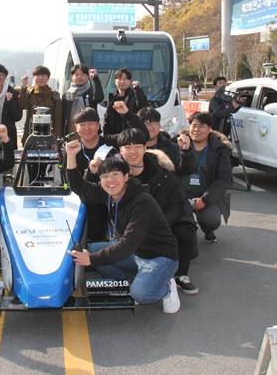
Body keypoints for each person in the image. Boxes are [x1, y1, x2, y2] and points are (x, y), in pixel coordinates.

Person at [65, 143, 181, 313]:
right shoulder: (109, 193)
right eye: (105, 176)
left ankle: (167, 287)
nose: (110, 180)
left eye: (115, 175)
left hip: (159, 257)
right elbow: (79, 187)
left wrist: (92, 259)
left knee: (142, 294)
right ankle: (125, 284)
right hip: (135, 253)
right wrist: (71, 155)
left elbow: (127, 244)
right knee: (93, 249)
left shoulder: (142, 202)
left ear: (127, 176)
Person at [112, 128, 199, 294]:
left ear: (145, 148)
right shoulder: (115, 173)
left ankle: (181, 275)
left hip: (165, 219)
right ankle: (143, 273)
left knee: (184, 231)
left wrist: (159, 224)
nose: (132, 151)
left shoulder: (162, 170)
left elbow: (177, 202)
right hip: (133, 223)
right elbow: (93, 193)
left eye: (137, 146)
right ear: (120, 150)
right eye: (127, 147)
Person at [64, 104, 149, 242]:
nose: (87, 128)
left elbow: (141, 135)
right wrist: (90, 171)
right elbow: (75, 186)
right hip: (89, 198)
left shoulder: (111, 142)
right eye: (82, 124)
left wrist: (127, 113)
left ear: (98, 125)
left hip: (117, 196)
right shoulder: (72, 150)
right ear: (76, 127)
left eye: (91, 124)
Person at [181, 112, 232, 244]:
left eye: (201, 126)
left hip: (206, 197)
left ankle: (208, 230)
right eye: (194, 125)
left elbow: (224, 179)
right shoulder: (179, 144)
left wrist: (205, 199)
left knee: (210, 220)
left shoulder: (219, 150)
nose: (196, 129)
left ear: (209, 129)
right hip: (181, 196)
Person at [0, 64, 23, 194]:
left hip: (7, 139)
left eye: (2, 75)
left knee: (9, 173)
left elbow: (17, 117)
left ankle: (8, 196)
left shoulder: (12, 93)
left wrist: (11, 102)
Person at [17, 65, 63, 143]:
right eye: (37, 75)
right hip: (30, 136)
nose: (40, 78)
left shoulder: (54, 97)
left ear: (48, 78)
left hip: (49, 137)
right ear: (34, 77)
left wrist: (55, 140)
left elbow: (58, 120)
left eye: (43, 75)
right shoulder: (29, 94)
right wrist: (24, 86)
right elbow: (22, 106)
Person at [102, 67, 149, 136]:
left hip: (131, 136)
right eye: (120, 79)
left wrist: (137, 90)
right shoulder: (112, 97)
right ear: (115, 81)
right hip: (114, 136)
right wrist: (106, 136)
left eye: (125, 79)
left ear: (129, 81)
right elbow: (107, 119)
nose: (122, 82)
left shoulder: (135, 95)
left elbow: (143, 106)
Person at [62, 63, 103, 136]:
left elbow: (99, 97)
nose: (79, 77)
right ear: (72, 77)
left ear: (87, 76)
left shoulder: (91, 91)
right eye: (76, 75)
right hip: (71, 127)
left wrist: (95, 78)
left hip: (88, 128)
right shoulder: (67, 94)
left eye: (83, 74)